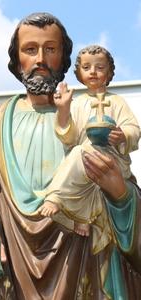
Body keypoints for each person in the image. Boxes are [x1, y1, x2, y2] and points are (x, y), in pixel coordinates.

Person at [0, 14, 141, 300]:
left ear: (64, 59)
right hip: (12, 270)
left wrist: (120, 195)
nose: (40, 59)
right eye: (30, 50)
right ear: (17, 60)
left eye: (50, 49)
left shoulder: (85, 117)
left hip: (82, 266)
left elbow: (123, 189)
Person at [38, 45, 141, 242]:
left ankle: (56, 197)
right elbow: (67, 137)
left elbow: (134, 129)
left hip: (112, 159)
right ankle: (82, 216)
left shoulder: (117, 102)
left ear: (109, 72)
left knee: (80, 153)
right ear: (78, 72)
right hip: (84, 164)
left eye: (99, 67)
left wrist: (123, 136)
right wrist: (63, 110)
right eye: (86, 67)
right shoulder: (77, 103)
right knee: (78, 154)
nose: (93, 72)